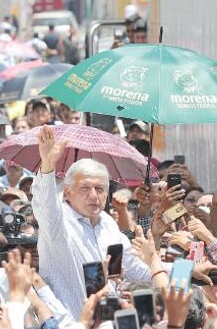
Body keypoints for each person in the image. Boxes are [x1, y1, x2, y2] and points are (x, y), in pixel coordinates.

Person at [31, 126, 152, 317]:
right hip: (69, 326)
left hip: (107, 325)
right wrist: (47, 165)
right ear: (68, 192)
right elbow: (43, 205)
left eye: (100, 188)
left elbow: (136, 270)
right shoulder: (58, 221)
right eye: (85, 188)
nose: (94, 195)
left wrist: (182, 272)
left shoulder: (109, 225)